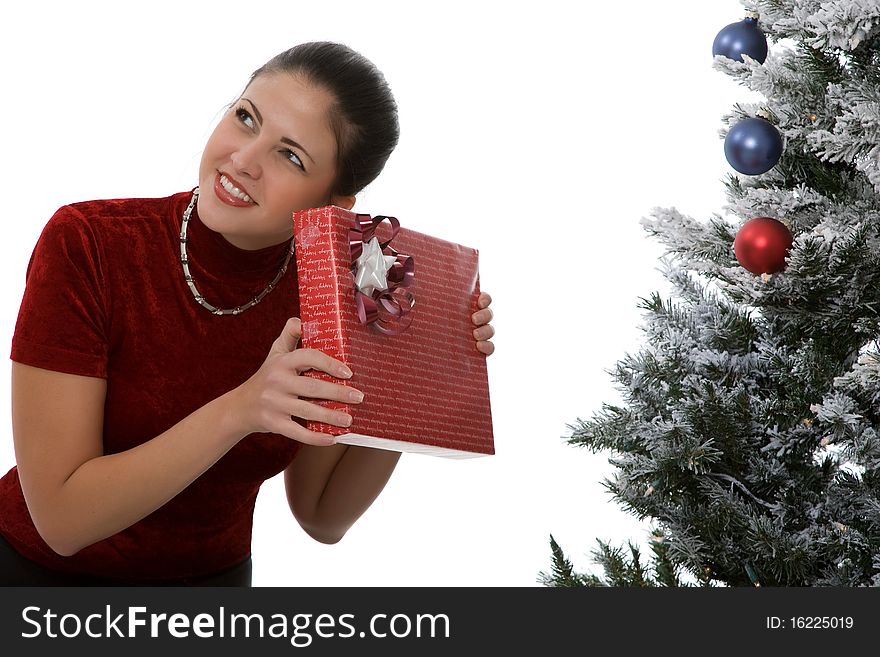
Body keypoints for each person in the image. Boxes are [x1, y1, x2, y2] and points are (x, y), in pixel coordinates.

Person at [0, 41, 495, 586]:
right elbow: (61, 522)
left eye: (290, 155)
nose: (242, 159)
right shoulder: (90, 243)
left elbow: (323, 516)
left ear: (333, 204)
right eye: (245, 118)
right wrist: (242, 410)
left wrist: (413, 373)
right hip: (35, 578)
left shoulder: (333, 293)